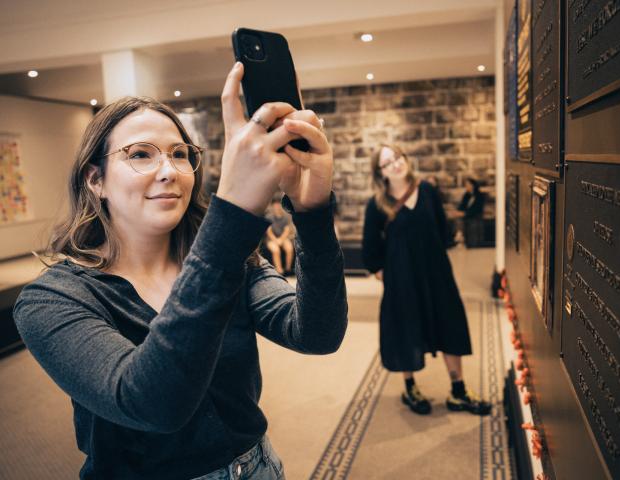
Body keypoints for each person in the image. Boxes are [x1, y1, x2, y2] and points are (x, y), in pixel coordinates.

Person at [13, 61, 347, 480]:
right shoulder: (55, 298)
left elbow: (317, 334)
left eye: (179, 154)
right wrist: (234, 213)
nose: (169, 171)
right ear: (95, 180)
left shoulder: (233, 264)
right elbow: (152, 403)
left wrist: (313, 213)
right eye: (139, 154)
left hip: (258, 468)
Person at [361, 144, 490, 416]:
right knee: (406, 330)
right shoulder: (377, 205)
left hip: (437, 274)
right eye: (387, 162)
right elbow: (370, 249)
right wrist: (388, 275)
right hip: (402, 281)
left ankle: (458, 391)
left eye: (398, 157)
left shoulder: (428, 191)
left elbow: (443, 230)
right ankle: (410, 387)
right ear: (380, 172)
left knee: (449, 324)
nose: (396, 163)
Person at [264, 197, 295, 275]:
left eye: (278, 205)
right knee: (275, 250)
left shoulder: (286, 217)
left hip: (283, 238)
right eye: (275, 205)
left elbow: (287, 230)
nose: (277, 207)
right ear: (272, 206)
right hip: (271, 239)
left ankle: (288, 269)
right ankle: (279, 270)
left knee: (289, 248)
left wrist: (281, 240)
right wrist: (276, 240)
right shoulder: (268, 217)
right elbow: (269, 231)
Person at [455, 177, 485, 246]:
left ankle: (460, 238)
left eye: (467, 184)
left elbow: (477, 209)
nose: (466, 186)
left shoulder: (479, 196)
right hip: (466, 215)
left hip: (474, 215)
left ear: (473, 185)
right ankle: (459, 236)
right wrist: (458, 212)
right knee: (458, 219)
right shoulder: (466, 195)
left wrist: (464, 214)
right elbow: (462, 205)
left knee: (461, 219)